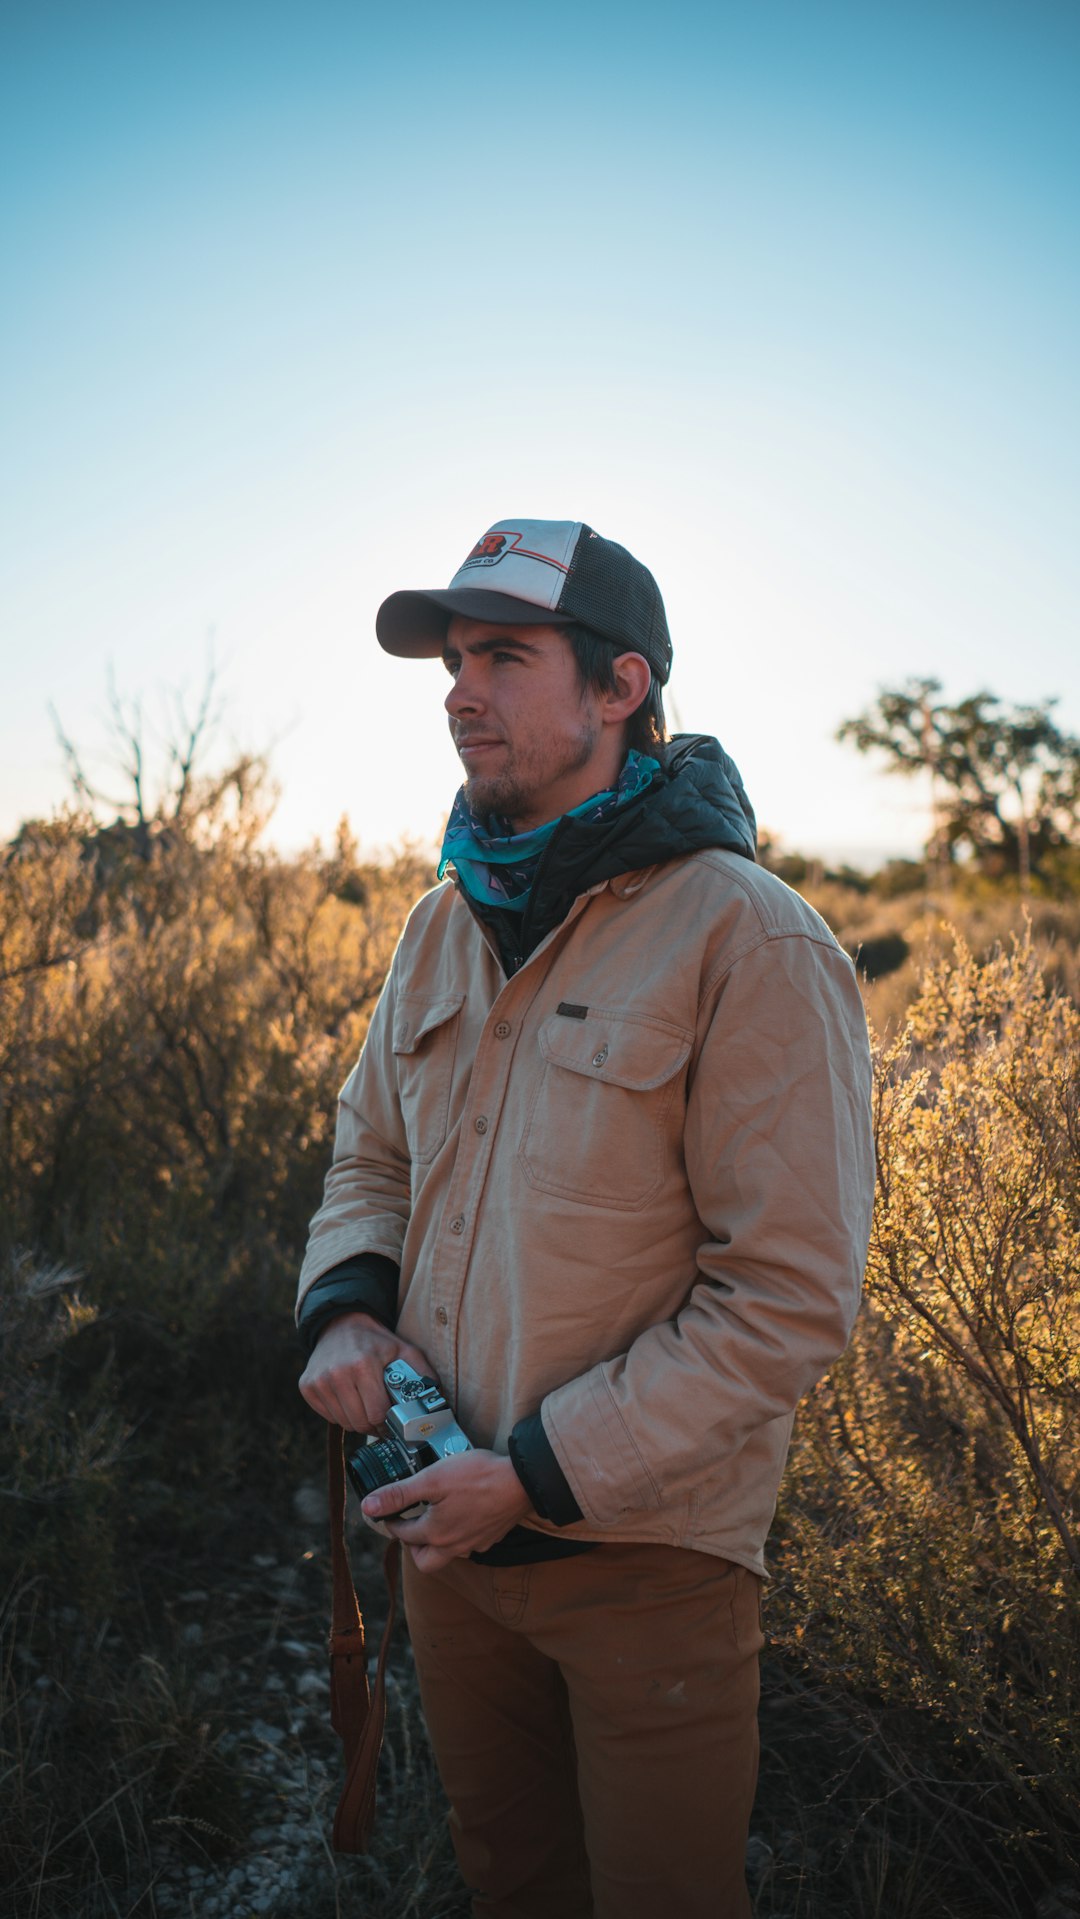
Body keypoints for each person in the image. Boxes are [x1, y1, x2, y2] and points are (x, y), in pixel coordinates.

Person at [297, 518, 875, 1919]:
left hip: (649, 1567)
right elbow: (370, 1156)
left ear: (621, 688)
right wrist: (348, 1308)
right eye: (452, 660)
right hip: (443, 1541)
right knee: (511, 1882)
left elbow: (789, 1299)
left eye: (503, 655)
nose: (459, 692)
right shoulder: (442, 923)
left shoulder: (751, 937)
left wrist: (540, 1474)